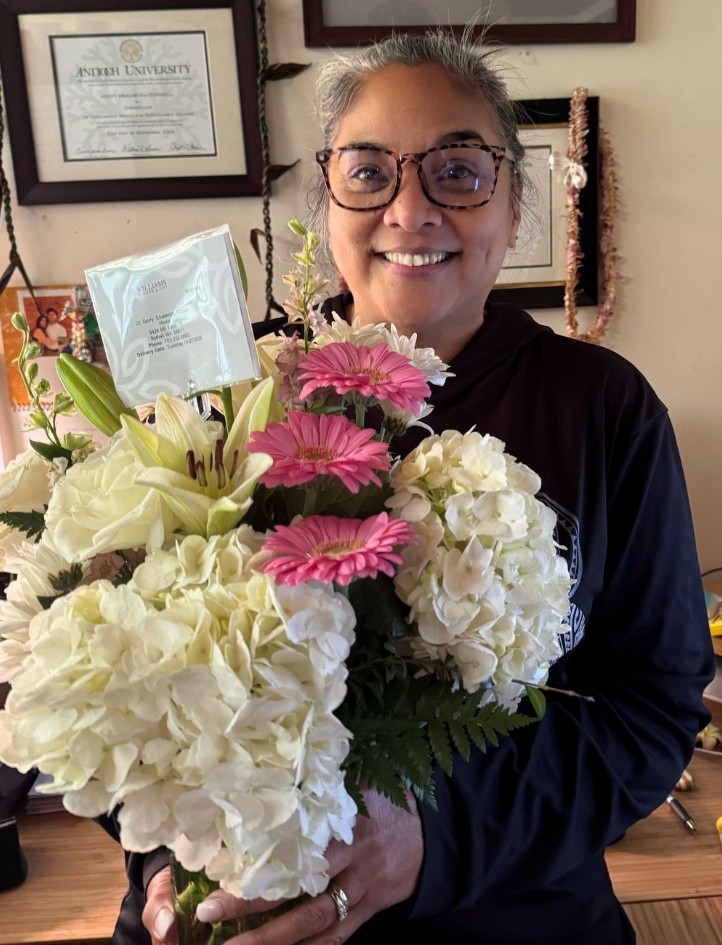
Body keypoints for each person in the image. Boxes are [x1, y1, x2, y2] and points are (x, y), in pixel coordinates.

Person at [115, 27, 714, 945]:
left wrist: (436, 839)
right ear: (328, 204)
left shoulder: (603, 406)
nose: (410, 210)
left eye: (460, 171)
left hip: (511, 908)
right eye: (368, 172)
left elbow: (654, 703)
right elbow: (123, 670)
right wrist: (165, 857)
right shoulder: (236, 393)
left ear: (515, 205)